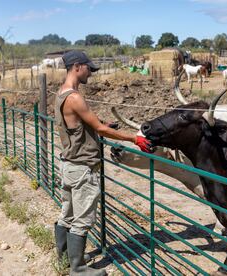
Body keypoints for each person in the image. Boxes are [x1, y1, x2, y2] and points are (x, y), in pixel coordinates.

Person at [54, 50, 152, 276]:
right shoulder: (75, 97)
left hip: (69, 164)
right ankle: (78, 269)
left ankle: (65, 258)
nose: (91, 73)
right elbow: (99, 129)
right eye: (89, 68)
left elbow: (80, 124)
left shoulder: (61, 93)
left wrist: (99, 123)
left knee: (66, 214)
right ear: (77, 66)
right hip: (82, 168)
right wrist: (133, 138)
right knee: (82, 219)